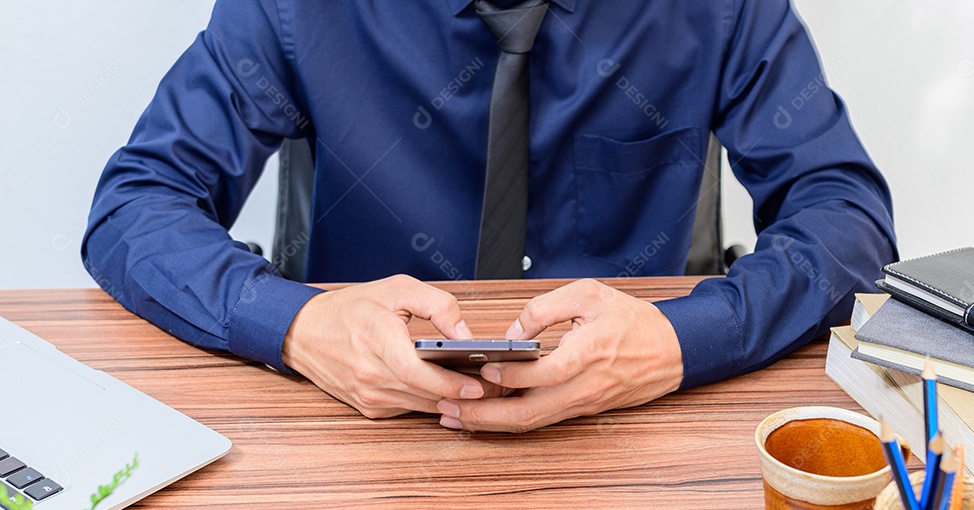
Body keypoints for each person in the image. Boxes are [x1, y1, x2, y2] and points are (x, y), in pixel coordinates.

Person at [82, 0, 897, 433]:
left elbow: (849, 219)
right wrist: (299, 326)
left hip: (629, 441)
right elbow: (136, 204)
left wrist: (680, 340)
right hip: (360, 440)